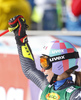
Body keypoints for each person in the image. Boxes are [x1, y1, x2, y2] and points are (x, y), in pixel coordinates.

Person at [8, 15, 81, 100]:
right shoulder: (48, 87)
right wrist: (20, 38)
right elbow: (28, 69)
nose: (42, 69)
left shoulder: (75, 95)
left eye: (45, 63)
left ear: (59, 65)